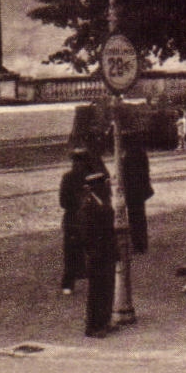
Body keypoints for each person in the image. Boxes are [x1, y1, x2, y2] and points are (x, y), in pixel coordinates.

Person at [80, 171, 117, 337]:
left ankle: (104, 321)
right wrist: (93, 252)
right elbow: (86, 234)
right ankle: (93, 326)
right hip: (97, 254)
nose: (107, 187)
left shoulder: (102, 201)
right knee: (96, 291)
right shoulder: (89, 206)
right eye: (103, 185)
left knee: (107, 288)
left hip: (107, 252)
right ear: (96, 187)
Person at [58, 147, 90, 295]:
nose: (78, 165)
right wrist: (79, 204)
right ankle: (68, 283)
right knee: (71, 251)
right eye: (76, 162)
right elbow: (63, 201)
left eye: (81, 161)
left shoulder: (91, 178)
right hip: (73, 218)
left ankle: (88, 278)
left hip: (87, 218)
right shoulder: (68, 178)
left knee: (90, 250)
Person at [121, 134, 154, 253]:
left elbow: (126, 174)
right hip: (140, 190)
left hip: (132, 191)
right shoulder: (141, 153)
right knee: (140, 217)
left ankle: (137, 244)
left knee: (134, 218)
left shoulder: (128, 156)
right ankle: (142, 243)